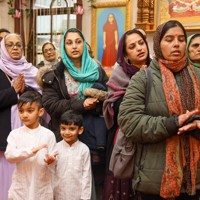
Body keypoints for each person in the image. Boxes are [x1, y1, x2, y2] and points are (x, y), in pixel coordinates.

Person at [118, 20, 200, 199]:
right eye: (169, 39)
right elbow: (129, 122)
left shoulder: (198, 75)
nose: (176, 44)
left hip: (195, 180)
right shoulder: (143, 78)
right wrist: (171, 123)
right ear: (157, 44)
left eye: (180, 39)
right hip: (155, 180)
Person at [40, 28, 108, 199]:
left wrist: (97, 104)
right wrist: (82, 104)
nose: (74, 46)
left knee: (93, 183)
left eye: (78, 41)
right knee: (65, 183)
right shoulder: (54, 74)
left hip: (93, 137)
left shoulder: (97, 70)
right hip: (66, 136)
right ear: (63, 47)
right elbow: (51, 105)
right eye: (69, 43)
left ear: (84, 44)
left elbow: (109, 100)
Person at [103, 29, 151, 200]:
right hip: (126, 138)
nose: (139, 48)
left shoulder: (158, 71)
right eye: (132, 46)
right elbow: (114, 105)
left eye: (141, 43)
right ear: (126, 55)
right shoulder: (119, 76)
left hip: (153, 136)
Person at [0, 33, 41, 200]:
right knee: (7, 184)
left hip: (28, 135)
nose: (15, 48)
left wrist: (24, 90)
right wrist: (13, 91)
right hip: (4, 140)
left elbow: (40, 99)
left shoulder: (31, 71)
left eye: (18, 44)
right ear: (3, 48)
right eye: (10, 45)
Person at [5, 91, 57, 200]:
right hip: (20, 189)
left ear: (40, 111)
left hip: (42, 189)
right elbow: (9, 156)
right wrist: (31, 151)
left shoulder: (48, 134)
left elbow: (53, 161)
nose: (24, 115)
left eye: (30, 111)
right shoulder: (15, 134)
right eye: (21, 111)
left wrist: (51, 161)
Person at [54, 110, 92, 200]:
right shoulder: (55, 148)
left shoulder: (84, 149)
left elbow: (86, 175)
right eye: (63, 128)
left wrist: (85, 197)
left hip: (77, 195)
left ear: (80, 130)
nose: (67, 132)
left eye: (71, 129)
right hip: (58, 194)